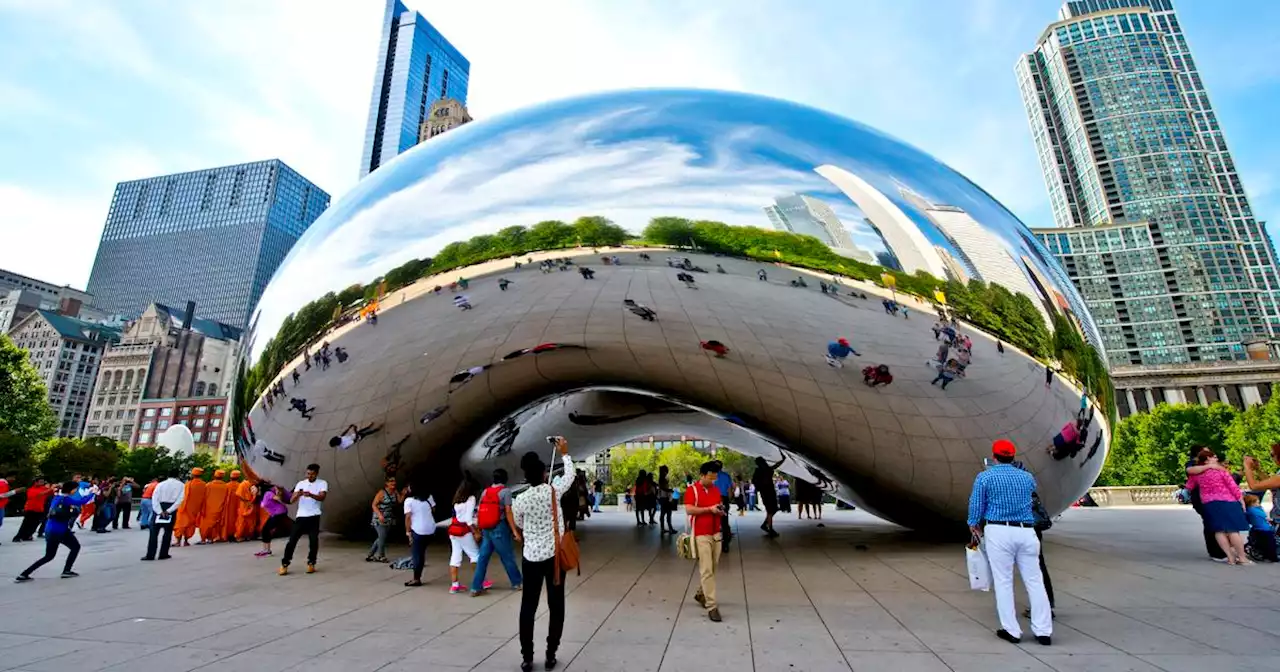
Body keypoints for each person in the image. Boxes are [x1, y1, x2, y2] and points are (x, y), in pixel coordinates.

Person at [968, 439, 1052, 646]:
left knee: (1004, 582)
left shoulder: (985, 477)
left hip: (998, 530)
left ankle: (1012, 630)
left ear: (994, 456)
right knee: (1035, 581)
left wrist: (973, 523)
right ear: (1013, 456)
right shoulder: (1027, 477)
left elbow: (977, 504)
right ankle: (1043, 631)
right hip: (1026, 531)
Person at [512, 440, 575, 672]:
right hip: (554, 558)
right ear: (543, 472)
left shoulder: (521, 499)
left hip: (531, 558)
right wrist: (565, 453)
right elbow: (569, 476)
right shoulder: (553, 491)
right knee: (556, 604)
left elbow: (519, 522)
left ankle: (527, 657)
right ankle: (551, 653)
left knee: (528, 606)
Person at [14, 481, 95, 582]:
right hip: (61, 530)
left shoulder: (56, 498)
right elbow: (81, 502)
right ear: (72, 489)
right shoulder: (66, 499)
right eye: (76, 489)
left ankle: (24, 574)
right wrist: (93, 493)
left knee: (49, 556)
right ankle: (66, 571)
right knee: (75, 547)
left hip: (50, 529)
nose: (76, 491)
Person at [1184, 448, 1250, 565]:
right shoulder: (1221, 471)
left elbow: (1189, 486)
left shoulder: (1197, 473)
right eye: (1214, 456)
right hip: (1228, 501)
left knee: (1218, 531)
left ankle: (1230, 557)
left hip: (1209, 503)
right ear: (1207, 459)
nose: (1216, 458)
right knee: (1233, 530)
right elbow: (1232, 486)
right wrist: (1241, 500)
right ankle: (1242, 558)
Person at [471, 468, 523, 595]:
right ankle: (517, 582)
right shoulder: (505, 492)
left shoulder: (485, 491)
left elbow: (480, 510)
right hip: (499, 528)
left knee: (483, 558)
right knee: (507, 557)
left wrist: (478, 528)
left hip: (487, 529)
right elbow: (508, 512)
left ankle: (475, 586)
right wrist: (515, 531)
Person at [685, 461, 726, 622]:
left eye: (715, 478)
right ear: (702, 475)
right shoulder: (692, 490)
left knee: (713, 568)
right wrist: (709, 510)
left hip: (716, 533)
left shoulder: (715, 490)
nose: (713, 481)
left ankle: (701, 593)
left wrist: (719, 510)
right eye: (710, 477)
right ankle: (712, 606)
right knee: (707, 569)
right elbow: (689, 509)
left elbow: (717, 505)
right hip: (701, 534)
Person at [279, 463, 327, 575]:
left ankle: (311, 562)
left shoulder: (322, 483)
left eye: (312, 474)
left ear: (317, 474)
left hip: (314, 516)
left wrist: (311, 495)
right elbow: (291, 500)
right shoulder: (301, 483)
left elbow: (322, 497)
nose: (309, 476)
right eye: (308, 473)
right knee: (292, 541)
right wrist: (298, 495)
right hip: (301, 516)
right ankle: (285, 564)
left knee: (313, 541)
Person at [447, 475, 485, 594]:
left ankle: (454, 585)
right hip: (464, 530)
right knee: (475, 555)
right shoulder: (471, 499)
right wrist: (476, 532)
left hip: (453, 531)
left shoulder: (456, 499)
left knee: (455, 556)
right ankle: (480, 581)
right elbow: (468, 519)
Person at [142, 469, 185, 561]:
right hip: (171, 507)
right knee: (167, 532)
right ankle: (163, 553)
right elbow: (180, 500)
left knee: (153, 532)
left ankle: (150, 554)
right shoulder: (181, 485)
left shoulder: (161, 484)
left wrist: (159, 511)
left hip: (159, 507)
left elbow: (154, 498)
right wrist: (169, 511)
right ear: (178, 476)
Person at [403, 482, 436, 587]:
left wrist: (408, 532)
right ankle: (417, 576)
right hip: (430, 529)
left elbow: (408, 517)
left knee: (417, 554)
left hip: (418, 530)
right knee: (421, 552)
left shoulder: (409, 501)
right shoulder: (429, 497)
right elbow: (433, 509)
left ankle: (416, 579)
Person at [367, 475, 400, 563]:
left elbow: (399, 501)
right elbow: (374, 505)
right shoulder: (381, 493)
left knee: (381, 537)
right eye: (391, 481)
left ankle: (370, 555)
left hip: (389, 518)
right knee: (382, 537)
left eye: (394, 481)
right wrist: (380, 515)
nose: (393, 483)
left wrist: (404, 493)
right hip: (379, 518)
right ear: (387, 483)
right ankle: (381, 556)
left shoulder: (395, 492)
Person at [753, 456, 785, 538]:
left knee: (771, 510)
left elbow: (754, 481)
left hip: (765, 493)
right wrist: (783, 459)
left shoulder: (759, 471)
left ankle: (766, 525)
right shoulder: (766, 469)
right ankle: (770, 529)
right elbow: (776, 465)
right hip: (769, 492)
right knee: (771, 511)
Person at [256, 483, 290, 557]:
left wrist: (279, 492)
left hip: (280, 513)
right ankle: (265, 550)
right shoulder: (261, 497)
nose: (252, 490)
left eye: (253, 488)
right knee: (265, 530)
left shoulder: (268, 493)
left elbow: (278, 498)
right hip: (275, 514)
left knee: (266, 530)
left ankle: (267, 551)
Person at [175, 468, 207, 546]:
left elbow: (184, 495)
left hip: (185, 507)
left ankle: (178, 542)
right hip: (195, 508)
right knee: (190, 524)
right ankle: (186, 541)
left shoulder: (188, 484)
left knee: (180, 524)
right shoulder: (204, 484)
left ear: (193, 474)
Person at [1244, 493, 1277, 562]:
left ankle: (1261, 552)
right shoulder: (1254, 510)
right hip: (1264, 529)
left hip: (1257, 528)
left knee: (1262, 542)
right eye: (1257, 502)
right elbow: (1265, 516)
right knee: (1270, 544)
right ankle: (1273, 557)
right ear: (1252, 503)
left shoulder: (1249, 510)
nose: (1259, 504)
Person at [200, 470, 230, 544]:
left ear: (214, 476)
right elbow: (227, 499)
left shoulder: (208, 485)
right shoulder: (226, 486)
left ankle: (204, 539)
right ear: (222, 477)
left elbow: (203, 497)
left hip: (208, 509)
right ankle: (212, 538)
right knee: (216, 524)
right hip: (220, 509)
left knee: (205, 525)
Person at [713, 462, 734, 552]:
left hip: (712, 499)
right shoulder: (726, 476)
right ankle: (725, 545)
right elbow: (729, 490)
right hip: (723, 499)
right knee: (724, 522)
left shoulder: (710, 476)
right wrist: (727, 501)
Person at [233, 474, 259, 542]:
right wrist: (251, 501)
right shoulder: (254, 484)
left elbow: (239, 495)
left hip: (244, 504)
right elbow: (256, 495)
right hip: (252, 504)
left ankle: (239, 536)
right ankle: (248, 535)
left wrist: (246, 501)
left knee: (242, 521)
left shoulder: (242, 484)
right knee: (251, 521)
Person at [658, 465, 676, 535]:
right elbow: (663, 488)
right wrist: (670, 490)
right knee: (667, 513)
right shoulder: (662, 479)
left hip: (663, 498)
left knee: (665, 513)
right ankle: (669, 528)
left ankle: (665, 528)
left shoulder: (662, 478)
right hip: (664, 498)